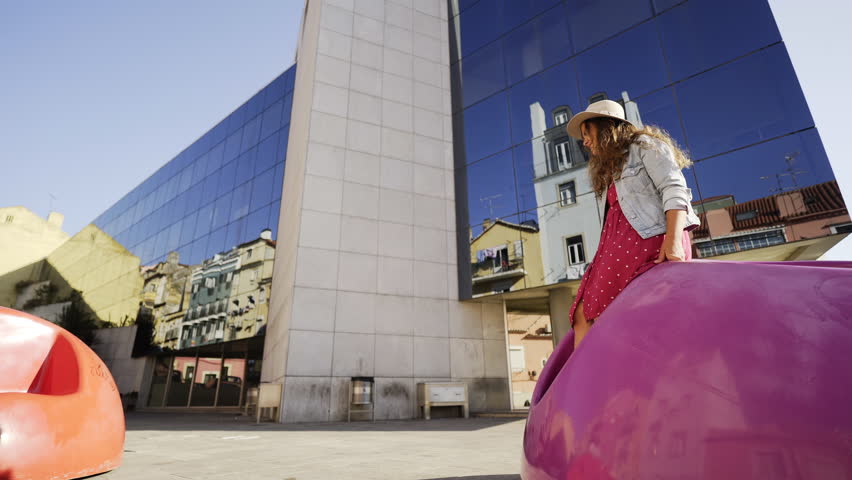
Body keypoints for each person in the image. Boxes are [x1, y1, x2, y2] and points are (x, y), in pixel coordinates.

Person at [564, 100, 701, 348]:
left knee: (617, 316)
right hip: (615, 246)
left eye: (588, 133)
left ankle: (596, 380)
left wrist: (673, 242)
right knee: (583, 312)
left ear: (607, 127)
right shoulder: (613, 167)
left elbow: (674, 188)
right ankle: (585, 382)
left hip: (649, 243)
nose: (584, 142)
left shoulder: (645, 145)